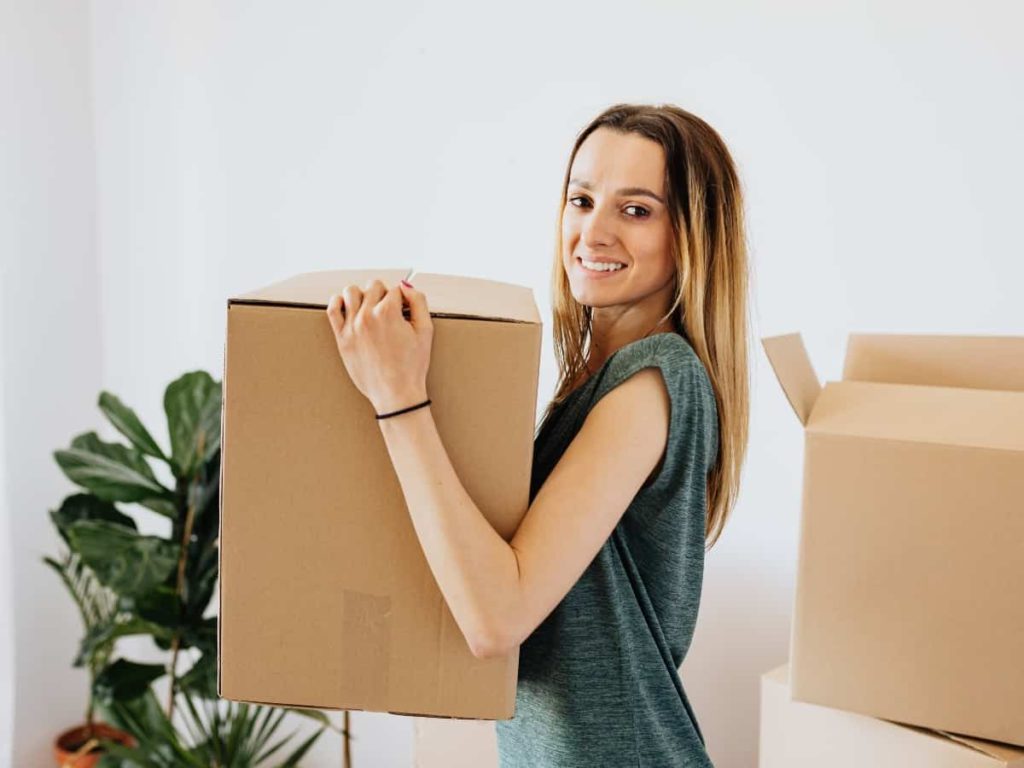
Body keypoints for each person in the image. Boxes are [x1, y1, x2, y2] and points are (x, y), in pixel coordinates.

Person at [325, 101, 750, 767]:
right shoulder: (594, 379)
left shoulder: (655, 379)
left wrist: (399, 396)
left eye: (635, 210)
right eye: (581, 199)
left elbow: (499, 615)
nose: (594, 232)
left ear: (692, 237)